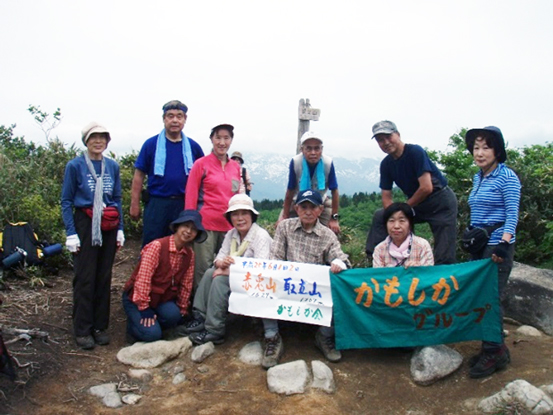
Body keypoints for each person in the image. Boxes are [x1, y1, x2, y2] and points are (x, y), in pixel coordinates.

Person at [262, 189, 350, 369]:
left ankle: (324, 335)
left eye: (313, 207)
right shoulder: (285, 227)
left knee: (340, 286)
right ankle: (272, 337)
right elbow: (275, 258)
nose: (308, 211)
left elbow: (341, 257)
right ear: (296, 208)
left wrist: (339, 263)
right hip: (286, 285)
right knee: (263, 284)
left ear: (320, 210)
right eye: (304, 207)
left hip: (312, 291)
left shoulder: (327, 235)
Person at [61, 122, 125, 350]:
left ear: (107, 142)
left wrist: (120, 229)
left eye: (102, 138)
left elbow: (116, 199)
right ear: (86, 141)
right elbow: (67, 201)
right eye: (93, 138)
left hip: (108, 222)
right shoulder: (75, 166)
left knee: (103, 276)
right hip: (85, 222)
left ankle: (100, 326)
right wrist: (71, 233)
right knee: (85, 277)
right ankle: (82, 328)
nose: (98, 142)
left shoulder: (112, 167)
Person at [464, 126, 521, 379]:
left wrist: (504, 243)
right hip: (480, 245)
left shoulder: (507, 177)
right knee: (481, 297)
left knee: (490, 299)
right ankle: (495, 347)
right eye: (476, 147)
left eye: (485, 147)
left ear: (497, 150)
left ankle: (494, 352)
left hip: (497, 247)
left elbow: (512, 214)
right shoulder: (479, 176)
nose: (479, 152)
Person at [183, 194, 272, 345]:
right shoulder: (231, 234)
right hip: (240, 277)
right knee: (210, 272)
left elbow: (260, 269)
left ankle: (214, 330)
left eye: (244, 213)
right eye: (235, 214)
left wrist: (229, 271)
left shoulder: (260, 236)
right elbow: (219, 257)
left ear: (252, 216)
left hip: (260, 282)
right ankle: (200, 317)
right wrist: (222, 263)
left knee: (220, 280)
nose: (240, 218)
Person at [365, 120, 458, 265]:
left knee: (444, 254)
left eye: (388, 137)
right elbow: (386, 197)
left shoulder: (415, 152)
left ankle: (440, 281)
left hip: (440, 202)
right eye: (380, 140)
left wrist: (404, 209)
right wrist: (394, 215)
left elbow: (426, 187)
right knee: (380, 215)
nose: (386, 142)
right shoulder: (386, 164)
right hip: (418, 204)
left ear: (398, 135)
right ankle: (376, 259)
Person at [122, 210, 207, 343]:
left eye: (194, 229)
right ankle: (134, 327)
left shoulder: (189, 254)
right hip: (137, 298)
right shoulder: (157, 246)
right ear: (177, 226)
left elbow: (186, 284)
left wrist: (182, 309)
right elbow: (143, 279)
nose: (188, 231)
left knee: (174, 316)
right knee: (153, 335)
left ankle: (151, 322)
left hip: (160, 298)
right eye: (186, 226)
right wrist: (144, 308)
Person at [130, 100, 204, 247]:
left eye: (179, 116)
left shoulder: (193, 147)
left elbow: (204, 177)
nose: (175, 120)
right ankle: (147, 270)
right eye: (170, 116)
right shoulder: (151, 145)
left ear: (185, 119)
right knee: (152, 244)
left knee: (180, 245)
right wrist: (134, 204)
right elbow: (139, 175)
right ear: (164, 119)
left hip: (183, 205)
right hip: (157, 203)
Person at [185, 124, 243, 288]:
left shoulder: (235, 167)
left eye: (226, 138)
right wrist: (191, 223)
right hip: (205, 225)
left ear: (231, 140)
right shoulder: (201, 164)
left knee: (227, 267)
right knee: (202, 269)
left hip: (228, 227)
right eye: (218, 138)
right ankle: (198, 308)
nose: (222, 142)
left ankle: (221, 306)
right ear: (211, 139)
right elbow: (191, 196)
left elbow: (237, 197)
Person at [279, 131, 341, 234]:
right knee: (282, 228)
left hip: (320, 201)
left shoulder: (328, 163)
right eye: (308, 148)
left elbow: (334, 191)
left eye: (317, 148)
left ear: (321, 149)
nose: (313, 152)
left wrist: (334, 218)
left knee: (330, 233)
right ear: (302, 149)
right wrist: (285, 215)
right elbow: (290, 189)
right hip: (297, 200)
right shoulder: (296, 162)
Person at [372, 203, 434, 268]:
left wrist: (418, 269)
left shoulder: (422, 246)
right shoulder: (379, 250)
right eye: (391, 221)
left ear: (410, 224)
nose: (396, 226)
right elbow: (378, 276)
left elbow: (429, 275)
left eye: (402, 221)